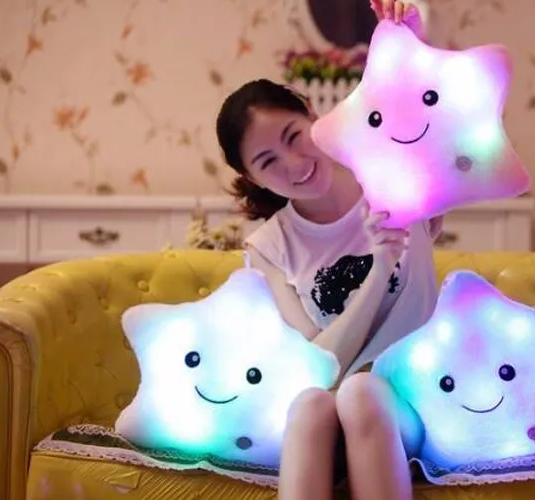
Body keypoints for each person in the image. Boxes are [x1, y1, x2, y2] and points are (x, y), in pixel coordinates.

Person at [215, 1, 440, 498]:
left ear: (313, 116)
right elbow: (317, 367)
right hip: (325, 419)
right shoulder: (269, 248)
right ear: (253, 178)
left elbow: (434, 111)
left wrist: (409, 38)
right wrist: (380, 268)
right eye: (268, 162)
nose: (294, 164)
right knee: (311, 401)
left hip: (420, 398)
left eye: (294, 136)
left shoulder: (395, 176)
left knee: (361, 392)